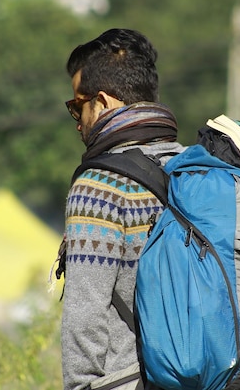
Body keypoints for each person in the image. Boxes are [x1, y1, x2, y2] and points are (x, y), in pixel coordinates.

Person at [60, 28, 185, 390]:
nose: (78, 121)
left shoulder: (99, 186)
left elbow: (85, 317)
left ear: (101, 102)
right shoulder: (190, 169)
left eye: (76, 106)